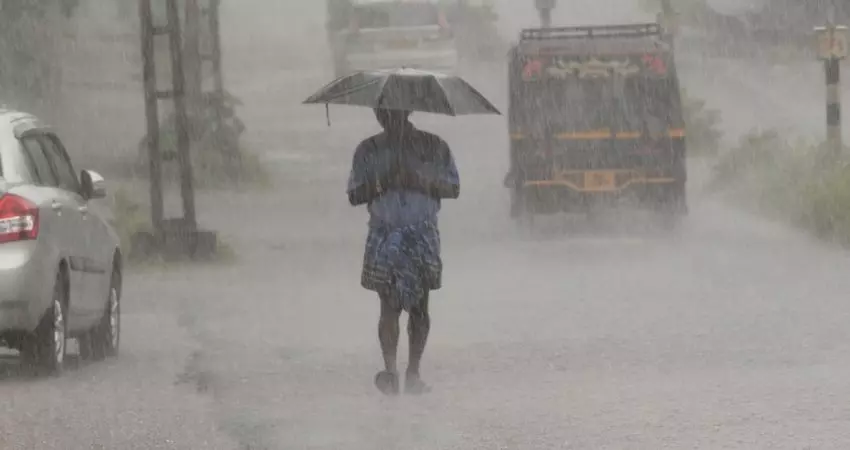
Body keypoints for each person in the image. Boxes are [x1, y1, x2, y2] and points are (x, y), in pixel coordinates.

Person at [347, 108, 460, 395]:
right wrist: (384, 181)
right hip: (385, 234)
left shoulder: (434, 147)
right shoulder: (368, 150)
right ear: (378, 114)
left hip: (421, 234)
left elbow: (453, 187)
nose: (388, 116)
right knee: (389, 306)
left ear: (408, 110)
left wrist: (418, 179)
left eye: (393, 111)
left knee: (420, 307)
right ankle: (390, 370)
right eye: (383, 111)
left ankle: (413, 371)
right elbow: (355, 195)